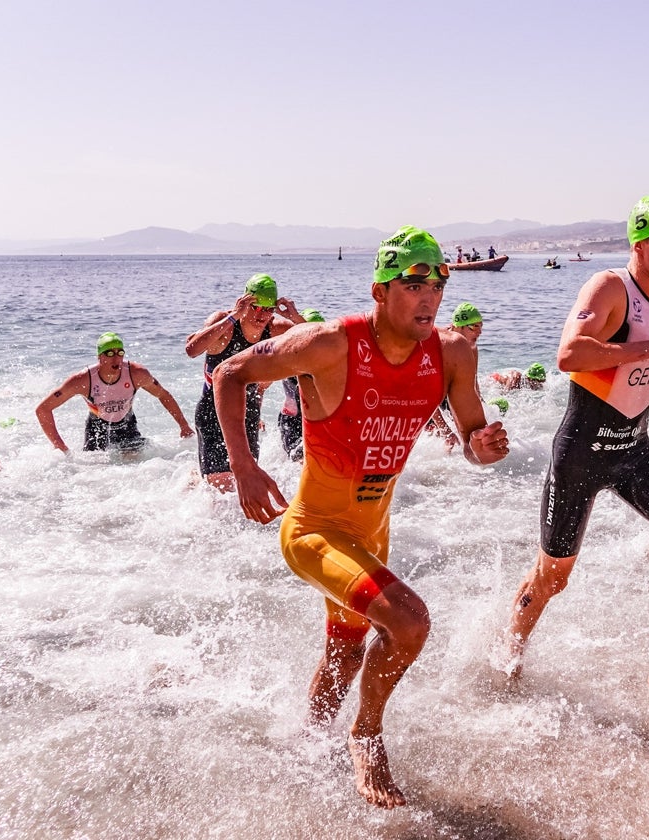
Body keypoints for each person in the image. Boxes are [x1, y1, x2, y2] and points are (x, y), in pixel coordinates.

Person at [213, 226, 508, 809]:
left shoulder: (454, 352)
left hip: (372, 532)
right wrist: (243, 467)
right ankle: (365, 736)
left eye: (439, 281)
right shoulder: (328, 344)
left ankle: (306, 746)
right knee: (409, 622)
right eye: (414, 282)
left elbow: (472, 437)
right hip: (315, 531)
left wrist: (485, 447)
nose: (430, 295)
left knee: (346, 654)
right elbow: (229, 374)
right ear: (380, 289)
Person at [502, 192, 649, 722]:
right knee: (553, 578)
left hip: (633, 451)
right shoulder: (608, 287)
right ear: (640, 241)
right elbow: (570, 353)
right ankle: (507, 651)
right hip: (581, 455)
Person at [185, 273, 305, 491]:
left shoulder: (276, 327)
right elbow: (191, 349)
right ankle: (197, 481)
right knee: (221, 489)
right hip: (213, 409)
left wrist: (296, 317)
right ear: (244, 302)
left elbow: (317, 342)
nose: (261, 315)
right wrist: (233, 316)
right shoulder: (224, 323)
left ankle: (199, 477)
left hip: (247, 411)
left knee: (243, 484)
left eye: (268, 309)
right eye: (255, 307)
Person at [36, 332, 194, 453]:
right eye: (110, 353)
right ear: (99, 357)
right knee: (94, 473)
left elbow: (163, 395)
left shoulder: (137, 373)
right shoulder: (82, 380)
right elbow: (43, 409)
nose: (116, 358)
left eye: (120, 352)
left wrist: (184, 425)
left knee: (136, 467)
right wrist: (60, 447)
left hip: (127, 426)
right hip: (97, 429)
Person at [426, 302, 484, 450]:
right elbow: (423, 394)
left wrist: (482, 409)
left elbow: (473, 384)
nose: (479, 332)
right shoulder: (438, 344)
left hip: (446, 391)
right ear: (458, 326)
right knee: (437, 436)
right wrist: (445, 430)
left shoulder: (471, 347)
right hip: (420, 396)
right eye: (474, 327)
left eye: (481, 326)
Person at [278, 308, 326, 461]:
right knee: (298, 458)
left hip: (316, 422)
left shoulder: (327, 362)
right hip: (291, 422)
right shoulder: (287, 357)